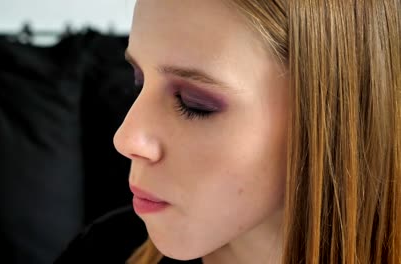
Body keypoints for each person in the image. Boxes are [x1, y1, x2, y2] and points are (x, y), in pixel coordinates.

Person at [55, 0, 400, 263]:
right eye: (138, 81)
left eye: (193, 103)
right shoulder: (102, 250)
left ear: (334, 115)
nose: (125, 138)